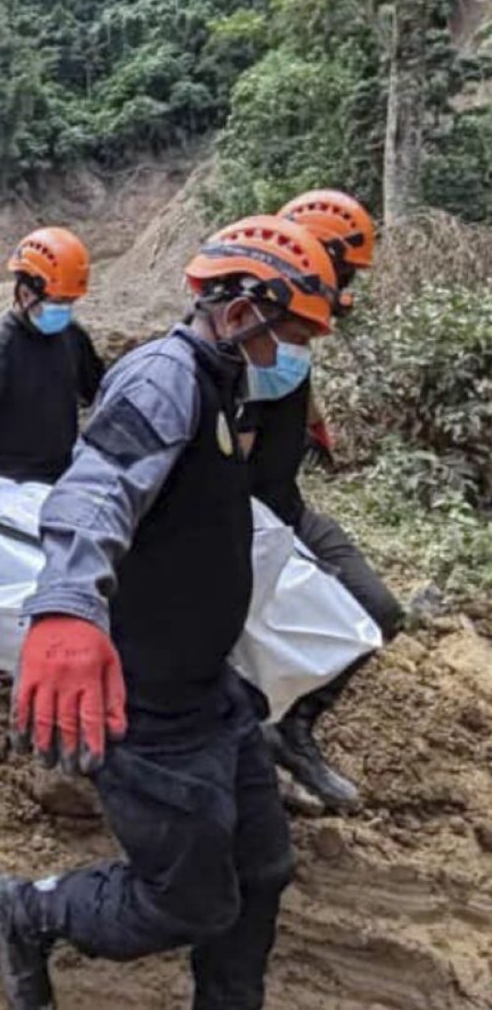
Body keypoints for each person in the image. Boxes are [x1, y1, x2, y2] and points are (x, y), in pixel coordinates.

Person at [0, 215, 343, 1010]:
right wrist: (67, 607)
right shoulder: (163, 379)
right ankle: (30, 909)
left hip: (212, 690)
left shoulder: (222, 386)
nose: (290, 357)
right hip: (147, 705)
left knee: (263, 871)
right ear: (243, 311)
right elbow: (95, 486)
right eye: (287, 333)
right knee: (191, 900)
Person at [238, 189, 403, 809]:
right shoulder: (246, 335)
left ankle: (292, 730)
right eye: (347, 270)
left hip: (287, 505)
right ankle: (245, 761)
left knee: (376, 610)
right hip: (245, 524)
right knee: (238, 649)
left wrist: (316, 426)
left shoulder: (295, 333)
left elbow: (299, 374)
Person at [0, 227, 105, 483]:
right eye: (58, 302)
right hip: (4, 481)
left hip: (58, 474)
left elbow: (100, 392)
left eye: (70, 302)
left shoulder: (72, 337)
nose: (65, 310)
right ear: (25, 293)